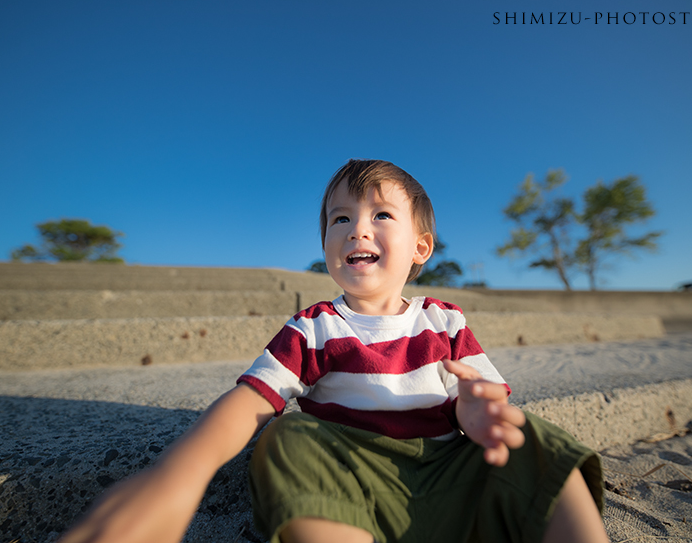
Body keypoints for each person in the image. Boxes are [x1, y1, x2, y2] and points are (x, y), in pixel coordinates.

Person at [60, 159, 608, 543]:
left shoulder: (444, 320)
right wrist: (175, 478)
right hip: (347, 483)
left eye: (380, 215)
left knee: (535, 439)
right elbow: (251, 401)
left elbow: (481, 395)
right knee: (286, 435)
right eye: (339, 218)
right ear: (325, 242)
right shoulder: (314, 327)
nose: (355, 230)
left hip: (451, 478)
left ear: (421, 247)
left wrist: (480, 411)